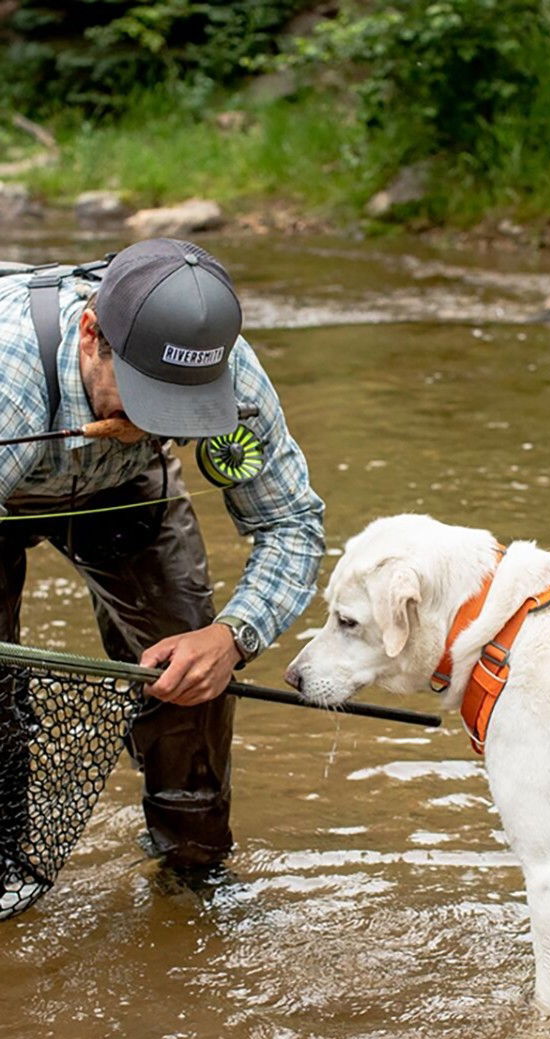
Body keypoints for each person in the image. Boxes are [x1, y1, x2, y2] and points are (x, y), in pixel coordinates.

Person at [0, 237, 325, 872]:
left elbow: (291, 523)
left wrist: (232, 637)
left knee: (192, 678)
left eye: (181, 408)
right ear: (91, 335)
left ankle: (193, 874)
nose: (158, 424)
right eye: (148, 397)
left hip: (124, 487)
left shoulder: (228, 371)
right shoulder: (10, 379)